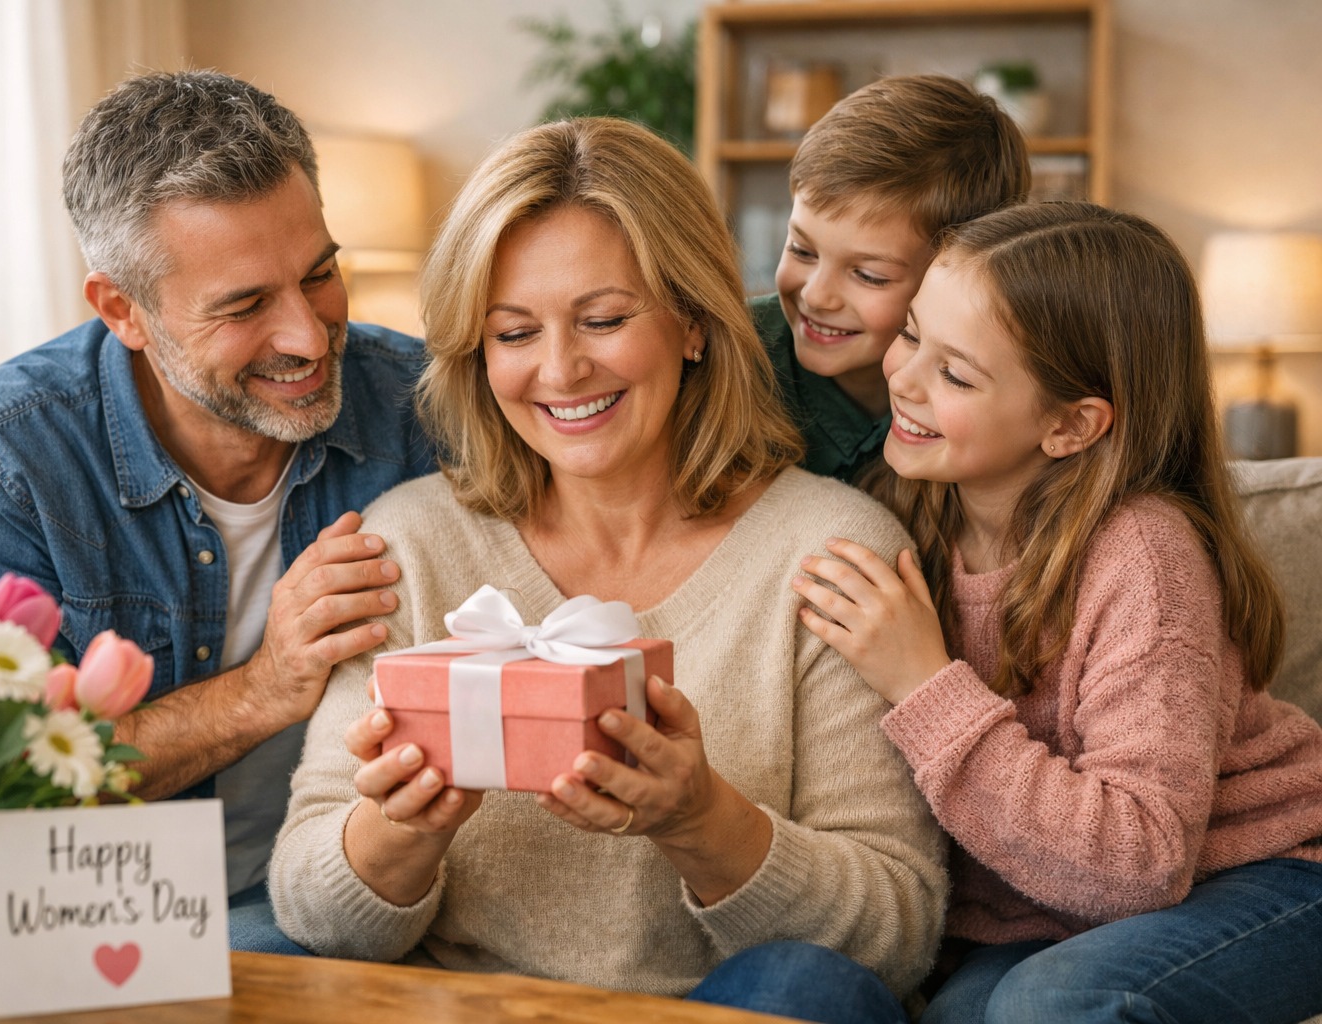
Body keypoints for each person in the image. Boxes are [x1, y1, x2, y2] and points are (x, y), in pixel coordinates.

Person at [268, 117, 946, 1024]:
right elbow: (311, 906)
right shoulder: (412, 543)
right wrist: (398, 830)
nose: (560, 369)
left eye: (604, 320)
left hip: (713, 1011)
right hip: (460, 1009)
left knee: (807, 990)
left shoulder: (829, 554)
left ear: (696, 324)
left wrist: (701, 821)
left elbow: (895, 936)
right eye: (514, 333)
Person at [0, 70, 434, 952]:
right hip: (95, 935)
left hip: (360, 909)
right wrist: (266, 686)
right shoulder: (1, 457)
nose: (308, 335)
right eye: (245, 306)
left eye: (320, 274)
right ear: (125, 310)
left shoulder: (422, 408)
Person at [797, 201, 1322, 1023]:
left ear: (1071, 424)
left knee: (1054, 1004)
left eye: (956, 374)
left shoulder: (1144, 557)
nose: (901, 378)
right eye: (911, 335)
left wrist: (924, 682)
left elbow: (1140, 864)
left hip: (1269, 872)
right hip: (1033, 915)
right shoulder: (907, 515)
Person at [757, 74, 1031, 484]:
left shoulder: (995, 401)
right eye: (801, 250)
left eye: (869, 276)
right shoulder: (729, 352)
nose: (816, 296)